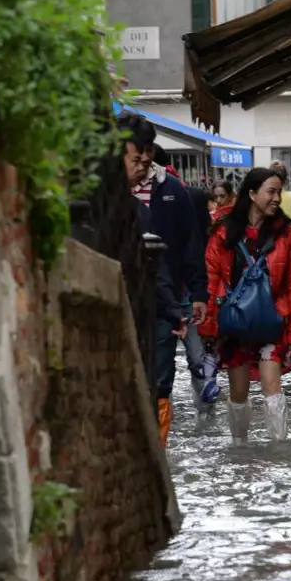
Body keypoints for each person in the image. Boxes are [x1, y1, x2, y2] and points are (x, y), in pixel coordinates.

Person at [203, 168, 291, 442]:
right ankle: (240, 448)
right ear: (251, 193)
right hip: (234, 324)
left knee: (273, 388)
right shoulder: (223, 233)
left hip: (272, 322)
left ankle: (279, 449)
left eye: (279, 192)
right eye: (271, 191)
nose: (276, 198)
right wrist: (209, 328)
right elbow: (211, 281)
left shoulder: (287, 234)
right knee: (238, 392)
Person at [122, 114, 207, 444]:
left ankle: (157, 453)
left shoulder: (172, 190)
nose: (142, 166)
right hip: (135, 295)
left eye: (146, 158)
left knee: (160, 376)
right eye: (137, 159)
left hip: (164, 295)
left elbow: (190, 242)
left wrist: (197, 292)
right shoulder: (111, 198)